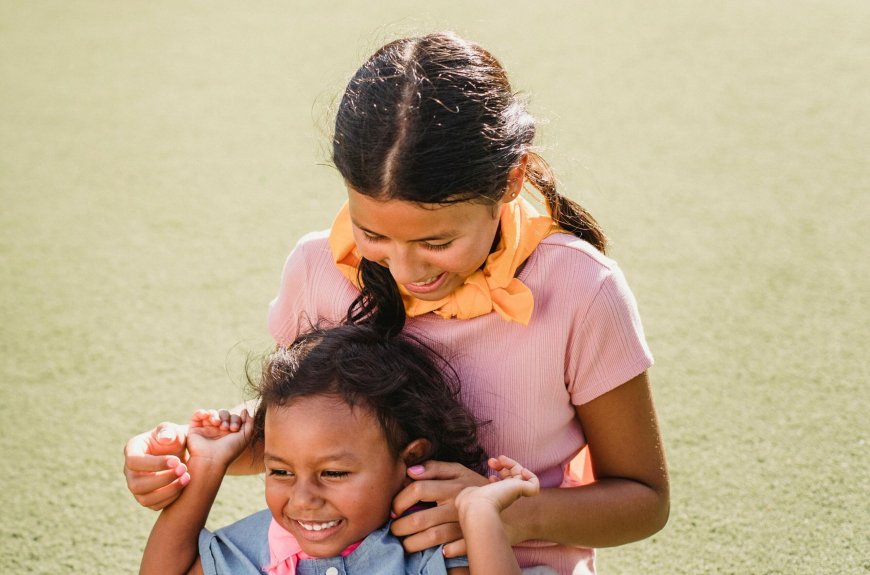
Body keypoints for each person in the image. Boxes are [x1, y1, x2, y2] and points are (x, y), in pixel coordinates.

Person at [125, 31, 669, 574]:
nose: (407, 272)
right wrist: (181, 455)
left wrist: (508, 516)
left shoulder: (581, 289)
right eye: (374, 236)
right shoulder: (317, 269)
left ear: (510, 181)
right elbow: (311, 433)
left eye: (437, 243)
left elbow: (643, 500)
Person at [139, 324, 547, 575]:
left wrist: (480, 513)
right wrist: (208, 465)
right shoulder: (254, 548)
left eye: (333, 474)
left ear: (411, 461)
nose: (303, 499)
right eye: (280, 472)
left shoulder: (429, 546)